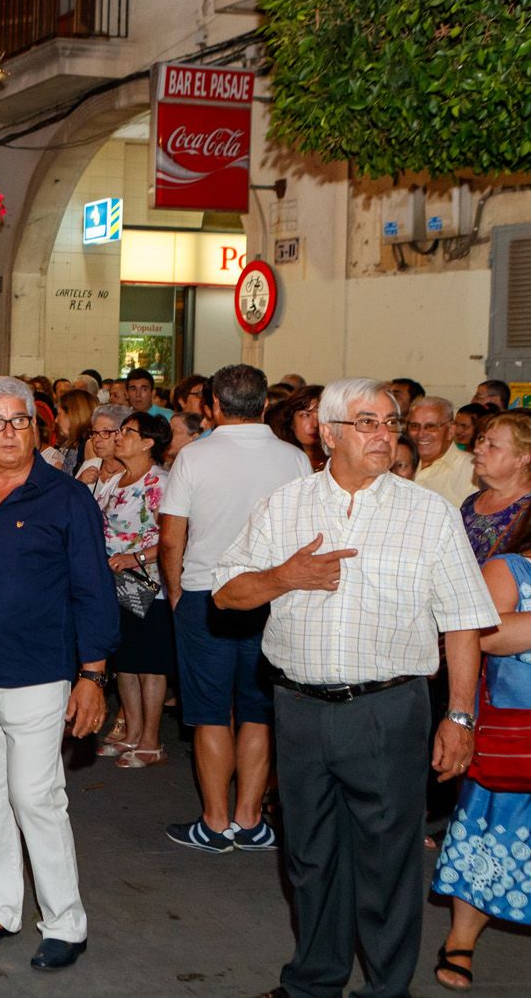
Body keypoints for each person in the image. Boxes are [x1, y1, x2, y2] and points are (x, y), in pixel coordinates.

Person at [214, 378, 496, 998]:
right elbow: (227, 595)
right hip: (299, 708)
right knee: (309, 856)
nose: (384, 435)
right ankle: (314, 982)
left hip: (388, 709)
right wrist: (285, 576)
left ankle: (387, 990)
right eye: (368, 422)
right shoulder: (284, 506)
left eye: (391, 423)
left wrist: (459, 717)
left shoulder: (428, 513)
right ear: (329, 433)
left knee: (388, 861)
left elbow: (463, 621)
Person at [0, 375, 117, 971]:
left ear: (36, 427)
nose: (10, 433)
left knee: (35, 797)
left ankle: (66, 923)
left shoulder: (67, 498)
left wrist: (93, 676)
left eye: (21, 421)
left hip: (37, 673)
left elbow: (94, 591)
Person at [157, 363, 311, 854]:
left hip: (205, 593)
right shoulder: (295, 459)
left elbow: (171, 537)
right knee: (257, 711)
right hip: (271, 595)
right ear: (264, 404)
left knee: (209, 712)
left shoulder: (194, 456)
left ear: (213, 406)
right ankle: (249, 819)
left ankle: (215, 821)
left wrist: (176, 590)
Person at [430, 504, 531, 990]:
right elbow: (486, 635)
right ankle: (461, 939)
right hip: (516, 736)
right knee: (491, 833)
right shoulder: (509, 568)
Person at [94, 411, 173, 769]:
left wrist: (135, 557)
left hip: (149, 583)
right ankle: (132, 731)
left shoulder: (159, 483)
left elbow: (173, 537)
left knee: (149, 664)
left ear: (147, 443)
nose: (118, 436)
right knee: (125, 661)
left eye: (127, 431)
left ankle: (151, 741)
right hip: (115, 582)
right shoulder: (115, 480)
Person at [460, 411, 531, 562]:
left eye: (492, 445)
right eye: (481, 439)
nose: (477, 449)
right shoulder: (471, 503)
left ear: (522, 458)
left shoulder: (527, 513)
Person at [410, 395, 479, 509]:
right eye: (414, 426)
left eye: (430, 427)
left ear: (451, 431)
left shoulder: (471, 470)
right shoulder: (399, 463)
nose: (420, 434)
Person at [268, 383, 326, 472]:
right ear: (291, 422)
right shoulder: (281, 460)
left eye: (321, 415)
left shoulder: (339, 463)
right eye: (305, 415)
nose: (315, 424)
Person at [76, 404, 131, 488]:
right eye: (95, 432)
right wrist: (79, 482)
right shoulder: (90, 465)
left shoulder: (131, 474)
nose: (97, 439)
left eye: (106, 432)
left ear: (122, 434)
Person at [43, 388, 96, 475]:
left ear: (72, 415)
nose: (56, 420)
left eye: (59, 414)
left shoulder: (90, 445)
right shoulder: (71, 443)